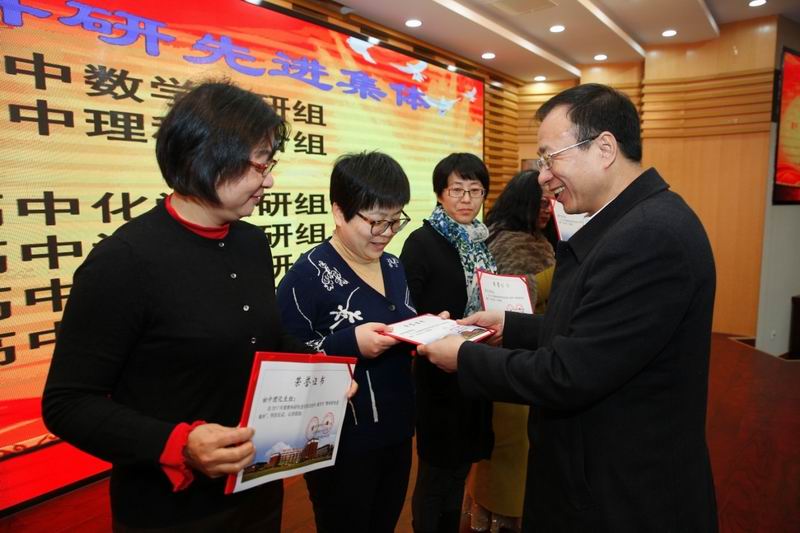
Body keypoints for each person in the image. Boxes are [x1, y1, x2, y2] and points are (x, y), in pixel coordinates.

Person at [418, 84, 718, 532]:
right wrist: (512, 326)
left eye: (549, 157)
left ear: (604, 148)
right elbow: (601, 337)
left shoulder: (649, 236)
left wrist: (463, 357)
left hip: (622, 496)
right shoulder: (635, 222)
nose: (542, 176)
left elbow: (570, 373)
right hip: (600, 477)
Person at [41, 81, 313, 531]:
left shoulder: (252, 243)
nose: (269, 180)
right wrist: (178, 444)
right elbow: (68, 403)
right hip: (169, 509)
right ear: (207, 158)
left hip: (256, 488)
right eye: (260, 164)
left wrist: (321, 375)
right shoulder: (124, 261)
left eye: (271, 163)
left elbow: (263, 337)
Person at [276, 152, 416, 533]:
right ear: (339, 212)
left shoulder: (393, 266)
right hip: (340, 442)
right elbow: (284, 360)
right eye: (376, 221)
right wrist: (348, 343)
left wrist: (428, 330)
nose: (387, 232)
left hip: (396, 429)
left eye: (396, 220)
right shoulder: (306, 277)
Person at [400, 153, 496, 533]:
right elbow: (405, 308)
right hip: (437, 372)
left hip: (476, 365)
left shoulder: (481, 241)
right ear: (440, 194)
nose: (466, 199)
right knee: (436, 471)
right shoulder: (422, 242)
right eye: (457, 190)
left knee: (462, 466)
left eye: (475, 190)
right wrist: (437, 326)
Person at [469, 170, 556, 532]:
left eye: (550, 202)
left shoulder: (524, 238)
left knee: (507, 446)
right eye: (541, 202)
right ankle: (502, 517)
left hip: (520, 353)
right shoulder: (513, 242)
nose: (548, 209)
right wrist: (559, 274)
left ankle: (490, 514)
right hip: (513, 353)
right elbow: (520, 298)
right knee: (511, 445)